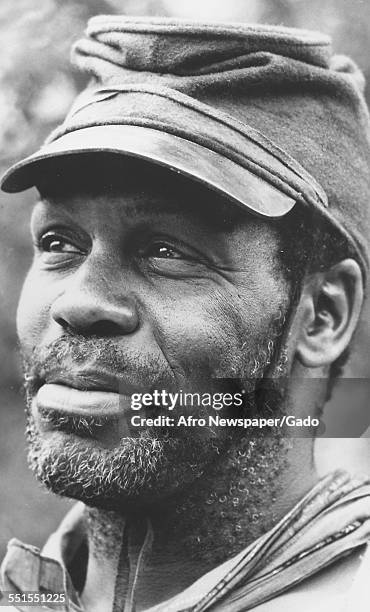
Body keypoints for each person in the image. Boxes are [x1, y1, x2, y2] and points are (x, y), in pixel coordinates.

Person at [1, 15, 370, 612]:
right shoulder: (26, 594)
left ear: (322, 315)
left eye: (168, 251)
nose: (79, 302)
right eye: (59, 243)